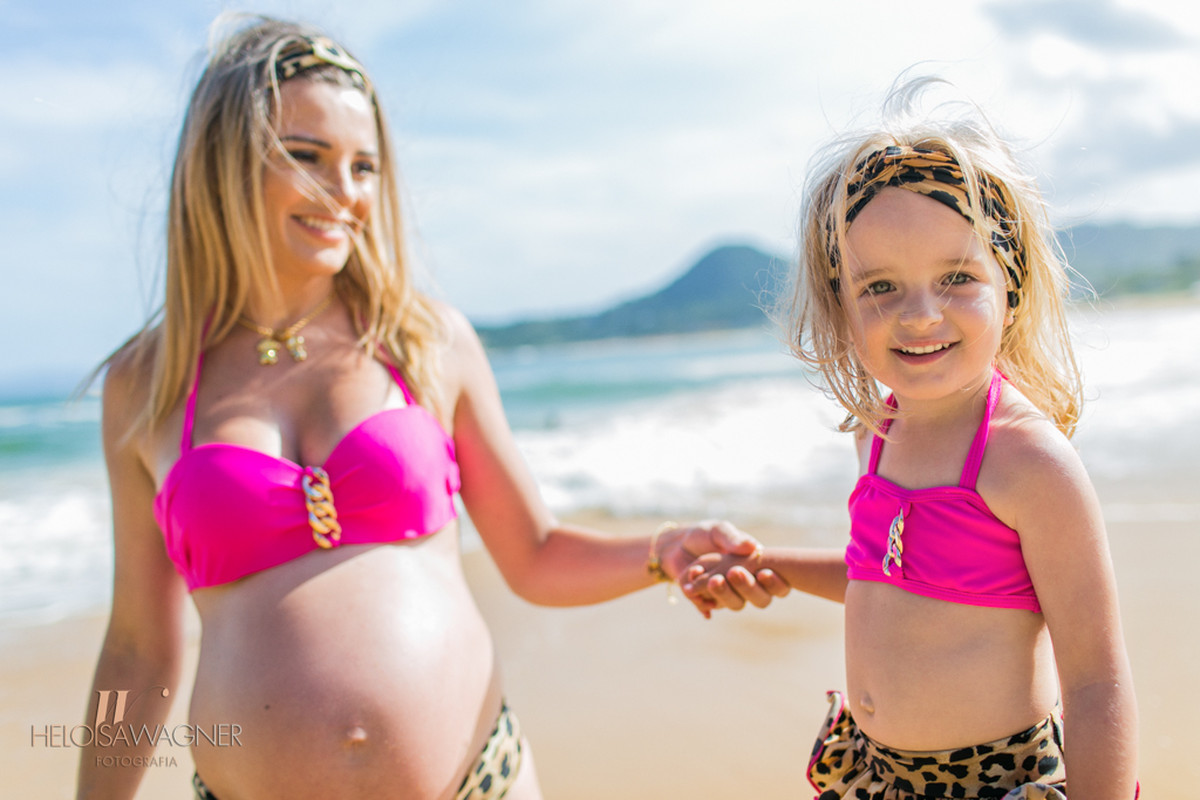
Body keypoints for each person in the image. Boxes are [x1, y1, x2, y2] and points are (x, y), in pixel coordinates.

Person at [74, 15, 784, 800]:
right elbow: (139, 650)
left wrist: (663, 550)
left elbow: (536, 555)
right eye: (306, 157)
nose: (344, 193)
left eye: (364, 166)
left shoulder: (425, 341)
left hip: (483, 782)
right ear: (222, 165)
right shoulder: (147, 383)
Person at [684, 79, 1138, 799]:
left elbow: (1097, 682)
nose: (920, 316)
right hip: (876, 777)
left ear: (1009, 283)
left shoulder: (1028, 463)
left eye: (956, 277)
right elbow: (894, 578)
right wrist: (776, 566)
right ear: (842, 307)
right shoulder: (878, 433)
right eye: (881, 288)